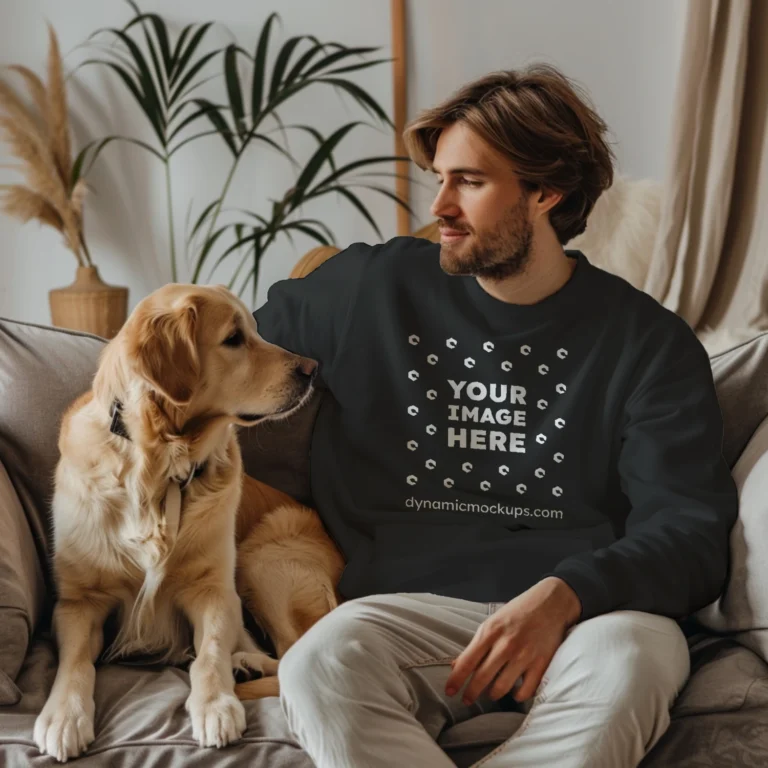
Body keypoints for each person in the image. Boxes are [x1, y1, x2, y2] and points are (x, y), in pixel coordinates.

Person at [251, 64, 738, 768]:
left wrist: (569, 594)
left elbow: (691, 536)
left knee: (633, 657)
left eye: (470, 183)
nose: (440, 206)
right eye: (440, 178)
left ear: (546, 192)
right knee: (319, 662)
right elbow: (220, 352)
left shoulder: (647, 343)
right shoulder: (369, 290)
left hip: (591, 619)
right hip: (408, 612)